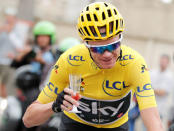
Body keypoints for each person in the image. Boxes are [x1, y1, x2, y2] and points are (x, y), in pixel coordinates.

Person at [23, 2, 163, 131]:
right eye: (99, 48)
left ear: (121, 38)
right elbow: (28, 120)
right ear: (86, 44)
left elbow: (152, 119)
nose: (107, 54)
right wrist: (54, 106)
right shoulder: (70, 61)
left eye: (113, 45)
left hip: (116, 126)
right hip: (75, 125)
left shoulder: (134, 63)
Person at [150, 55, 173, 129]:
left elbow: (162, 92)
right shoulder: (152, 72)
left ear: (168, 63)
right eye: (161, 60)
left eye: (164, 61)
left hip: (160, 109)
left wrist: (150, 89)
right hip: (148, 107)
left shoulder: (170, 76)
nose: (162, 63)